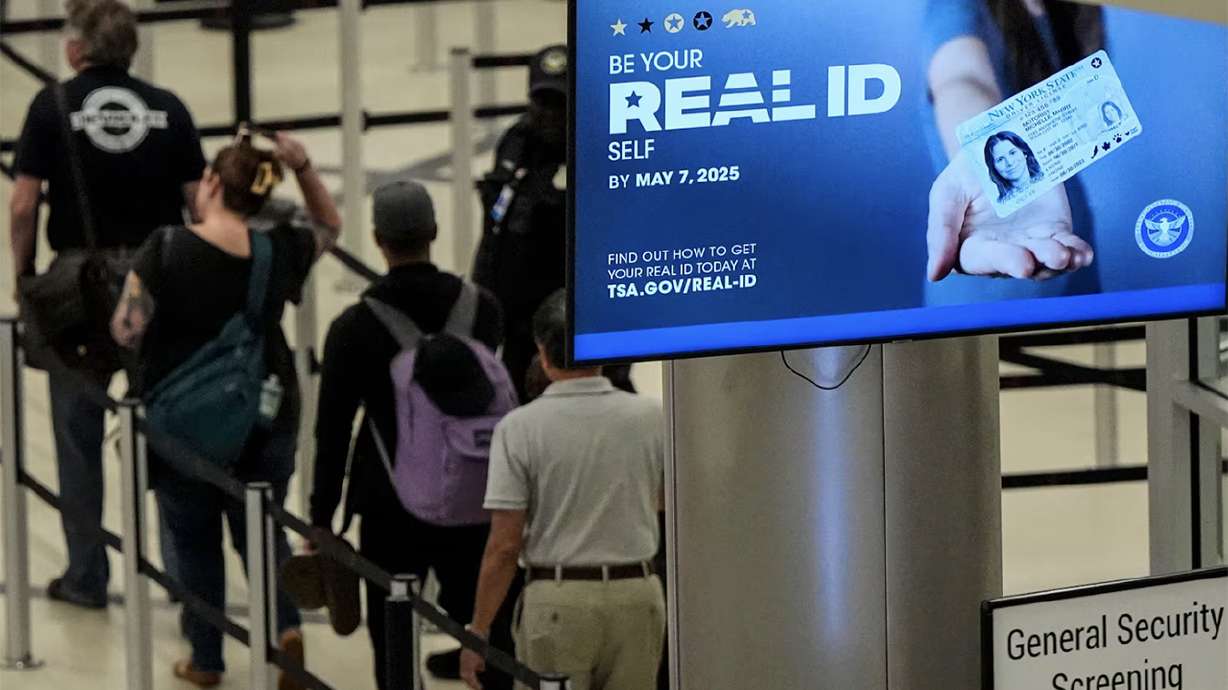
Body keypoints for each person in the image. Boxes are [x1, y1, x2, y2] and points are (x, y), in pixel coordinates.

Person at [110, 129, 340, 688]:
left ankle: (207, 659)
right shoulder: (278, 249)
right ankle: (284, 627)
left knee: (193, 542)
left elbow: (126, 328)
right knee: (262, 529)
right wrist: (303, 165)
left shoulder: (165, 248)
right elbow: (330, 226)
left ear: (211, 183)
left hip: (183, 427)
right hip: (264, 416)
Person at [8, 0, 205, 610]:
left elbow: (22, 205)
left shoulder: (53, 106)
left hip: (78, 293)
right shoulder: (169, 109)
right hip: (157, 280)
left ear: (76, 49)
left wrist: (22, 275)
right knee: (171, 428)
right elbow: (199, 206)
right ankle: (183, 577)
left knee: (78, 436)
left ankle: (87, 575)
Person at [309, 181, 514, 690]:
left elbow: (332, 428)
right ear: (435, 233)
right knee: (489, 628)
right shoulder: (483, 309)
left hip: (389, 502)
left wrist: (321, 517)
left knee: (393, 634)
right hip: (477, 494)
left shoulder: (353, 327)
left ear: (378, 240)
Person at [460, 290, 666, 690]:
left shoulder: (520, 428)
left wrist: (479, 629)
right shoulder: (650, 418)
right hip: (638, 595)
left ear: (542, 351)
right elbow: (662, 504)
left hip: (559, 599)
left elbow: (504, 546)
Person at [923, 0, 1098, 289]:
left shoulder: (1063, 12)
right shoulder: (953, 7)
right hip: (993, 281)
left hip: (1068, 252)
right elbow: (962, 79)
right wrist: (982, 153)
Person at [983, 131, 1043, 201]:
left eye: (1012, 153)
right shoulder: (1002, 204)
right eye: (1000, 159)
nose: (1010, 163)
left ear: (1024, 152)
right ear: (994, 168)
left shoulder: (1046, 178)